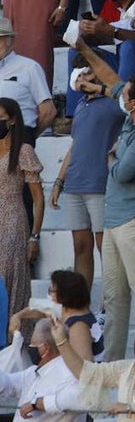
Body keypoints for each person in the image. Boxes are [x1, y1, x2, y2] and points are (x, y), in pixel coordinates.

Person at [71, 39, 135, 361]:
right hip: (116, 219)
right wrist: (85, 48)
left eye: (125, 95)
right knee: (113, 296)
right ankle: (113, 361)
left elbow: (122, 172)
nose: (119, 96)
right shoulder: (134, 117)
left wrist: (111, 158)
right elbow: (111, 80)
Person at [52, 66, 120, 287]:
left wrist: (100, 87)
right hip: (75, 184)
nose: (82, 79)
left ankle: (109, 306)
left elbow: (127, 99)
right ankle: (80, 303)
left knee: (105, 247)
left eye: (87, 72)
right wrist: (59, 181)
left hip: (100, 184)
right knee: (80, 246)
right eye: (79, 75)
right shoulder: (81, 105)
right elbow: (75, 145)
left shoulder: (112, 104)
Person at [0, 99, 42, 319]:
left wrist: (35, 237)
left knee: (9, 281)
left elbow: (38, 198)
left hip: (13, 220)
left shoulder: (23, 150)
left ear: (13, 120)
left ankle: (12, 341)